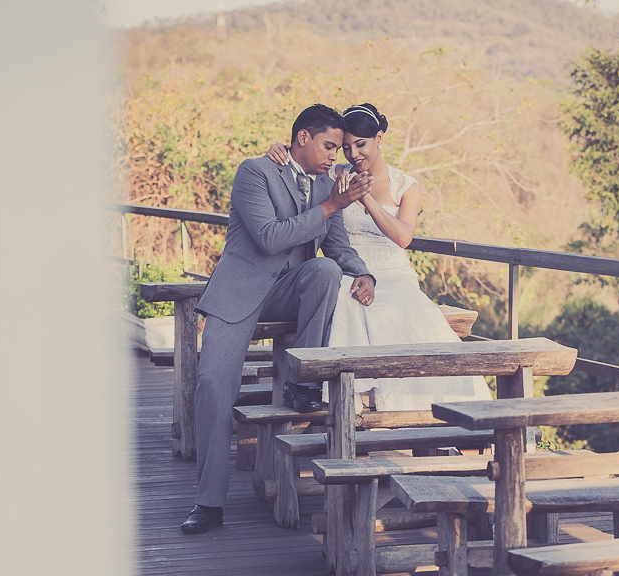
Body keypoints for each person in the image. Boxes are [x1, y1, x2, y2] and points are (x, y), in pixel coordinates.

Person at [181, 104, 378, 535]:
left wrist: (363, 271)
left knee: (327, 270)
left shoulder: (329, 185)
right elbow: (269, 238)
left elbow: (337, 245)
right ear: (302, 138)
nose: (333, 155)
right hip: (241, 292)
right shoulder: (255, 171)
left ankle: (301, 382)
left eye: (338, 148)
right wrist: (330, 205)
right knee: (214, 385)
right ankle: (208, 504)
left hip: (290, 293)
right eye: (328, 146)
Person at [267, 102, 491, 411]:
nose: (353, 154)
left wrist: (364, 196)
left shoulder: (406, 186)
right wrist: (278, 149)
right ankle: (348, 397)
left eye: (361, 144)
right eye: (346, 147)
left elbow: (402, 237)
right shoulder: (334, 173)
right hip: (349, 267)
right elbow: (304, 160)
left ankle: (419, 403)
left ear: (379, 139)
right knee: (348, 301)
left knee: (403, 314)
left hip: (392, 269)